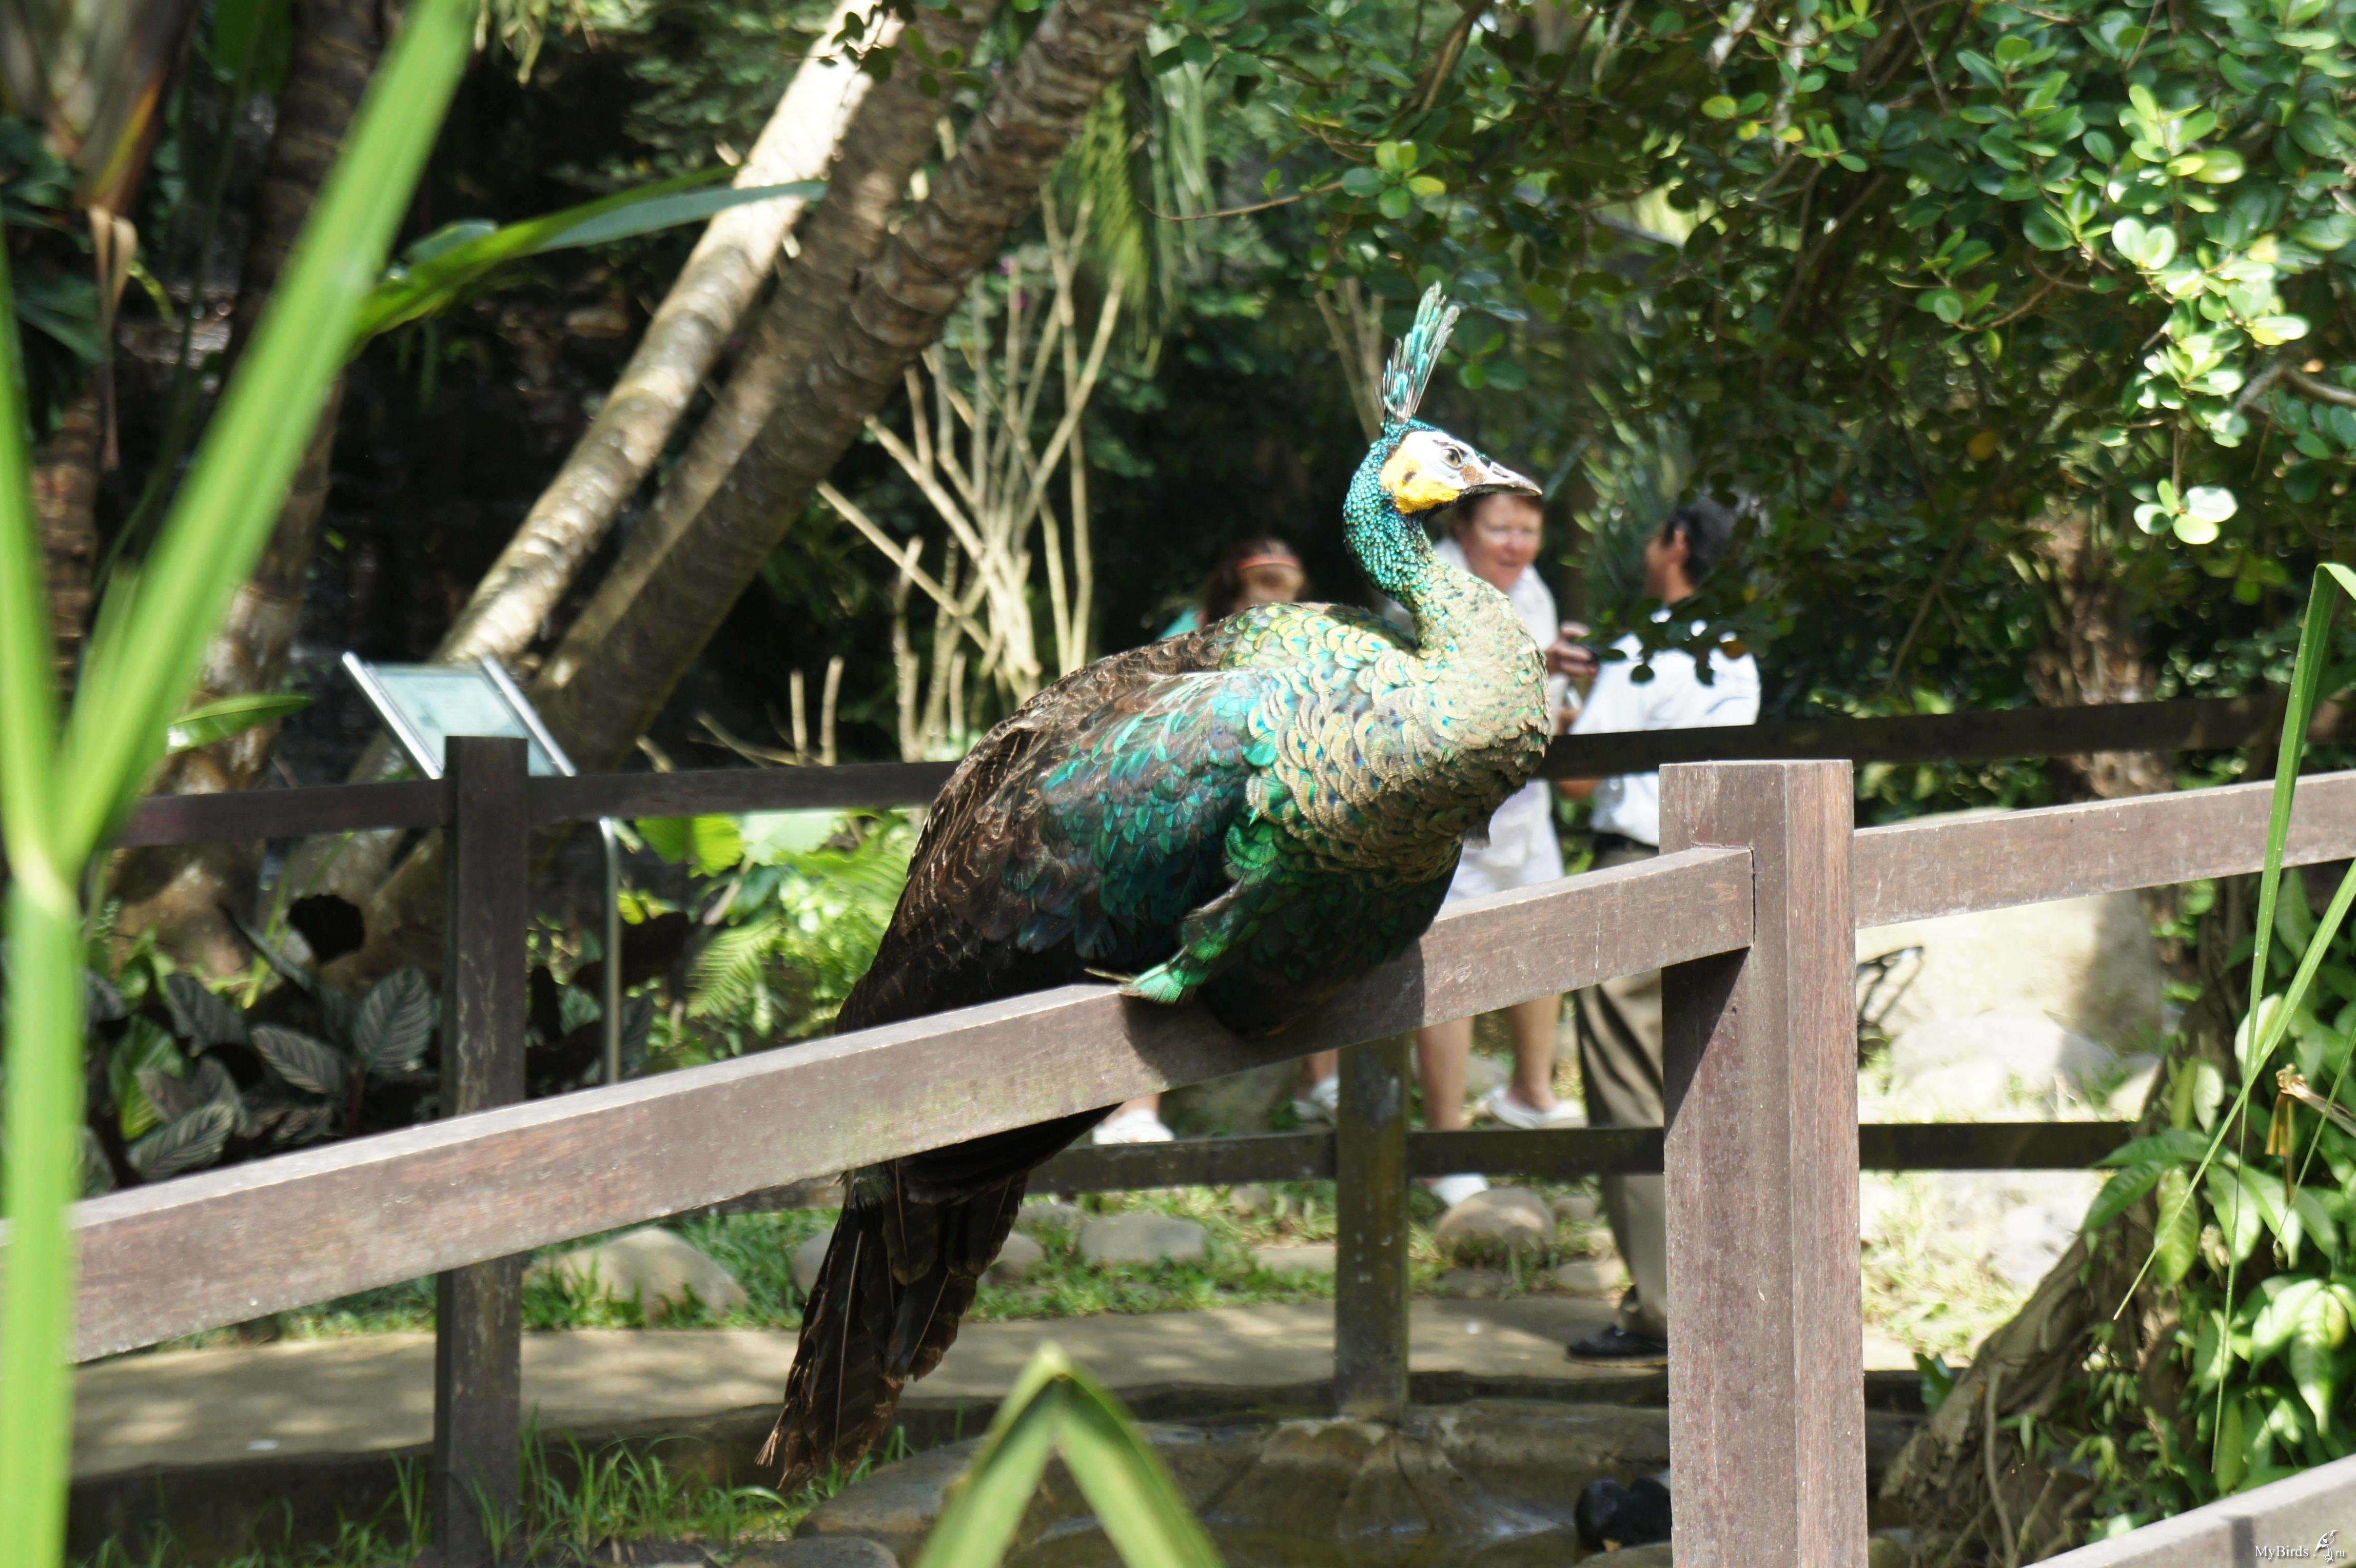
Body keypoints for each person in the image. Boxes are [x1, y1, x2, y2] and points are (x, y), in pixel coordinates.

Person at [1298, 488, 1579, 1206]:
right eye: (1500, 528)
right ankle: (1444, 1144)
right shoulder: (1428, 590)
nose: (1516, 544)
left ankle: (1531, 1092)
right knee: (1448, 970)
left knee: (1543, 936)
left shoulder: (1536, 593)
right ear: (1463, 528)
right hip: (1443, 819)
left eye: (1529, 529)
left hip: (1522, 808)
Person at [1552, 496, 1759, 1365]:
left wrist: (1564, 696)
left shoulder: (1645, 646)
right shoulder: (1736, 651)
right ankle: (1721, 1291)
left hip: (1632, 868)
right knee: (1697, 1083)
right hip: (1714, 870)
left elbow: (1576, 779)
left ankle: (1665, 1309)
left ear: (1674, 543)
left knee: (1626, 1088)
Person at [1095, 539, 1312, 1144]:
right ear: (1234, 587)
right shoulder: (1185, 641)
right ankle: (1134, 1110)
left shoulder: (1296, 643)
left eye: (1288, 587)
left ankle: (1323, 1082)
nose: (1279, 598)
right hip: (1176, 812)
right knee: (1155, 945)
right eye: (1267, 584)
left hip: (1256, 818)